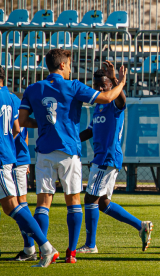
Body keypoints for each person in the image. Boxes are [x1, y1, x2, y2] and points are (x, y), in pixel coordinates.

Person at [18, 49, 127, 264]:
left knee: (43, 204)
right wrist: (121, 83)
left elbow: (22, 121)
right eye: (69, 64)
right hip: (69, 152)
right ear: (61, 65)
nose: (70, 68)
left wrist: (47, 125)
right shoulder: (73, 86)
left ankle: (44, 250)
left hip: (44, 152)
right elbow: (106, 97)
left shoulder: (33, 89)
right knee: (74, 202)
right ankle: (71, 253)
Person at [76, 62, 153, 254]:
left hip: (107, 158)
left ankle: (91, 245)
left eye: (105, 84)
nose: (101, 88)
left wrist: (119, 81)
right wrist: (69, 140)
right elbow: (89, 131)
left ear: (111, 85)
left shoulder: (114, 104)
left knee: (90, 198)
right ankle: (141, 226)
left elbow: (122, 101)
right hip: (102, 158)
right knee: (102, 203)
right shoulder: (99, 107)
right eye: (97, 86)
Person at [0, 65, 58, 268]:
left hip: (11, 157)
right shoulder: (12, 97)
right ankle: (37, 247)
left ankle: (39, 247)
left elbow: (17, 129)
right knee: (12, 205)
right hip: (10, 156)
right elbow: (18, 127)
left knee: (15, 204)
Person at [6, 90, 35, 262]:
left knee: (19, 204)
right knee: (18, 204)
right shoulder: (18, 102)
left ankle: (31, 247)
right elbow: (25, 132)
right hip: (19, 158)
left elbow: (16, 130)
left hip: (14, 158)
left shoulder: (9, 101)